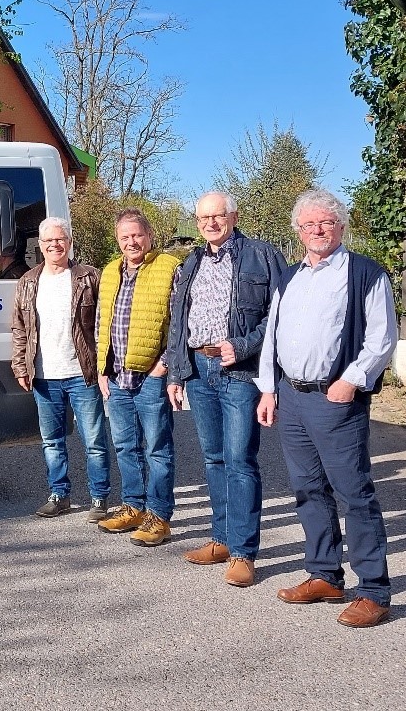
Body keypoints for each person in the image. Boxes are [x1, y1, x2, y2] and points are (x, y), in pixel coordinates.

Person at [256, 190, 397, 628]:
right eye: (309, 224)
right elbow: (272, 336)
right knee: (308, 490)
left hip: (335, 399)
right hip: (293, 398)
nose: (317, 230)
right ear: (298, 231)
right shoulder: (289, 277)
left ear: (341, 227)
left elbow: (382, 337)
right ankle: (324, 575)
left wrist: (351, 380)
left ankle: (373, 591)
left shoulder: (365, 273)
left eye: (326, 222)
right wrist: (268, 389)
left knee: (354, 493)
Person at [164, 192, 286, 588]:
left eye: (217, 216)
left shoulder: (261, 255)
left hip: (240, 371)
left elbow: (280, 315)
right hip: (199, 370)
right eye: (203, 218)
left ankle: (243, 553)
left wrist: (244, 346)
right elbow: (178, 320)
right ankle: (221, 539)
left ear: (233, 216)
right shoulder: (192, 261)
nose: (210, 224)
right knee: (214, 458)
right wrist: (176, 373)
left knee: (239, 461)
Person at [9, 218, 110, 521]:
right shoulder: (28, 281)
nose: (55, 244)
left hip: (82, 373)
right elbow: (19, 327)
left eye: (60, 239)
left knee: (94, 441)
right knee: (52, 442)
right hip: (44, 376)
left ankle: (99, 497)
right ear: (40, 245)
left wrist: (104, 366)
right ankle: (59, 494)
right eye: (49, 241)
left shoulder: (89, 277)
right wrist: (20, 365)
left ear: (69, 242)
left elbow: (104, 322)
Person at [94, 208, 181, 546]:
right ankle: (133, 507)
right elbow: (102, 323)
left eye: (137, 235)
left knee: (157, 449)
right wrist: (103, 368)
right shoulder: (110, 272)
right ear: (118, 240)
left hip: (151, 376)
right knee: (125, 446)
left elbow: (179, 323)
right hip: (117, 376)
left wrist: (163, 367)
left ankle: (159, 516)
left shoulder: (169, 268)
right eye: (125, 237)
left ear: (149, 236)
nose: (132, 242)